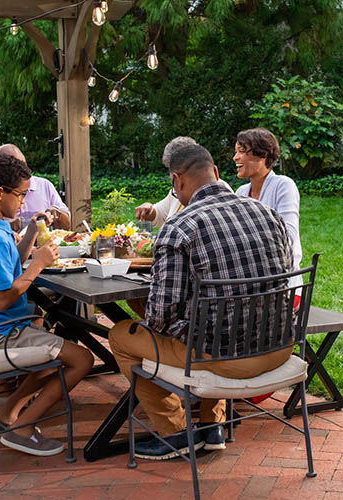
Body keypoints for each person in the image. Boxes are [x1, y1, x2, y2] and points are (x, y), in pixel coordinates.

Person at [108, 144, 294, 460]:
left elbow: (161, 318)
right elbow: (281, 278)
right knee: (212, 319)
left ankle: (177, 432)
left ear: (176, 180)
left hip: (226, 362)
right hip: (281, 348)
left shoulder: (180, 227)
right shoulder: (269, 214)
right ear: (217, 174)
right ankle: (212, 426)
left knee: (121, 336)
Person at [0, 153, 94, 456]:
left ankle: (6, 414)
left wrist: (32, 234)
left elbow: (13, 265)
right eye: (20, 195)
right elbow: (2, 300)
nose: (23, 201)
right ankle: (23, 427)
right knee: (82, 360)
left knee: (52, 347)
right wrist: (37, 266)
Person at [233, 127, 303, 295]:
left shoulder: (283, 186)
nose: (235, 157)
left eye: (242, 151)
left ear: (262, 155)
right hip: (250, 283)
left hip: (284, 285)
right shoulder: (240, 193)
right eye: (236, 152)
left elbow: (289, 238)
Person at [0, 144, 70, 232]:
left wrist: (58, 214)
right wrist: (5, 225)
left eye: (23, 167)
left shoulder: (44, 186)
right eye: (16, 170)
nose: (23, 173)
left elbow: (67, 224)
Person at [134, 137, 232, 227]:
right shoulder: (177, 191)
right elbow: (161, 213)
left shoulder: (221, 193)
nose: (171, 177)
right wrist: (149, 210)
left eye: (171, 169)